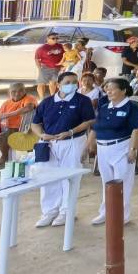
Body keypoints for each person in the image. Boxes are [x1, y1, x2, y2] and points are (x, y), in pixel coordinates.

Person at [33, 70, 96, 228]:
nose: (72, 85)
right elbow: (35, 123)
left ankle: (67, 211)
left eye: (75, 82)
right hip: (49, 143)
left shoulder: (83, 100)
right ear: (58, 84)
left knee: (70, 176)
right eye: (67, 82)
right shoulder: (47, 102)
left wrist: (70, 132)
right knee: (48, 176)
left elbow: (89, 121)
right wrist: (42, 134)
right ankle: (49, 211)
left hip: (72, 141)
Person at [88, 78, 138, 226]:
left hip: (121, 147)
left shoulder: (132, 108)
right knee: (107, 182)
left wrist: (133, 150)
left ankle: (122, 215)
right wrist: (91, 143)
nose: (108, 91)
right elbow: (96, 127)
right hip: (103, 148)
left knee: (122, 183)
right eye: (107, 88)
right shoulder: (105, 106)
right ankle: (105, 212)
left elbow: (136, 131)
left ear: (124, 90)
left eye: (112, 88)